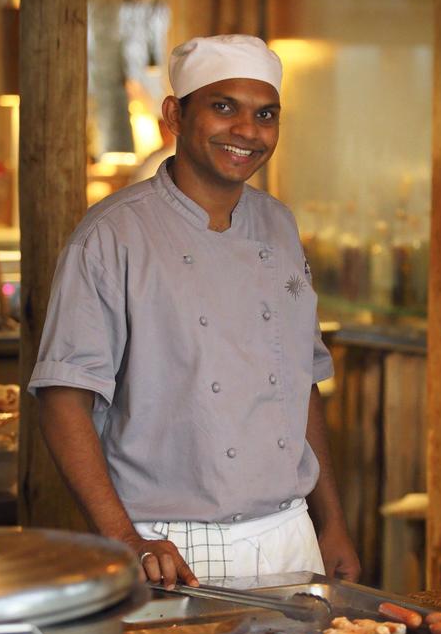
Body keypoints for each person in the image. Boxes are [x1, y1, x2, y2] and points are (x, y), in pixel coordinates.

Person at [29, 34, 361, 589]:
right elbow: (64, 401)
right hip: (168, 547)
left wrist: (331, 522)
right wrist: (124, 540)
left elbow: (299, 384)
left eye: (265, 114)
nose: (247, 131)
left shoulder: (279, 226)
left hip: (289, 532)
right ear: (175, 115)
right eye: (223, 106)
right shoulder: (112, 236)